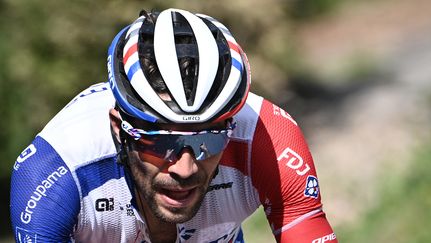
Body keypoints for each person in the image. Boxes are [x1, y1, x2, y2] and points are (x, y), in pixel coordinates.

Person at [10, 8, 338, 243]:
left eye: (206, 140)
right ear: (118, 129)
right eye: (161, 142)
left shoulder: (268, 138)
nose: (184, 167)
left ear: (231, 126)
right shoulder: (57, 169)